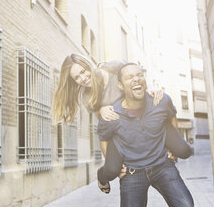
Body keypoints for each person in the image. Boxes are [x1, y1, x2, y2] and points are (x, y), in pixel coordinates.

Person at [51, 54, 192, 193]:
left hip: (146, 119)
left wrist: (152, 90)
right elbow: (102, 125)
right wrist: (101, 110)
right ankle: (102, 176)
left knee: (184, 151)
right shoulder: (86, 95)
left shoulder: (115, 66)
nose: (83, 78)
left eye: (83, 71)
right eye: (77, 77)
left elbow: (136, 76)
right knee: (112, 170)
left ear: (88, 65)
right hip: (121, 130)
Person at [98, 63, 195, 207]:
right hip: (132, 173)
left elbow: (171, 116)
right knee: (110, 169)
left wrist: (173, 147)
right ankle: (102, 175)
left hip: (163, 166)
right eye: (130, 77)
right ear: (120, 86)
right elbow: (103, 137)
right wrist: (112, 165)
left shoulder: (161, 101)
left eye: (139, 75)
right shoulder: (112, 114)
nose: (136, 79)